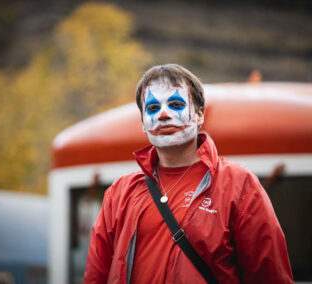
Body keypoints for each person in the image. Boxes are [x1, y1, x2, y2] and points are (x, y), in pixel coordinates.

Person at [83, 64, 293, 283]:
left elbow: (270, 276)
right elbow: (95, 277)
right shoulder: (118, 195)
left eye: (175, 104)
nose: (163, 115)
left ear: (200, 114)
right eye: (152, 108)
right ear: (143, 124)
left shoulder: (240, 186)